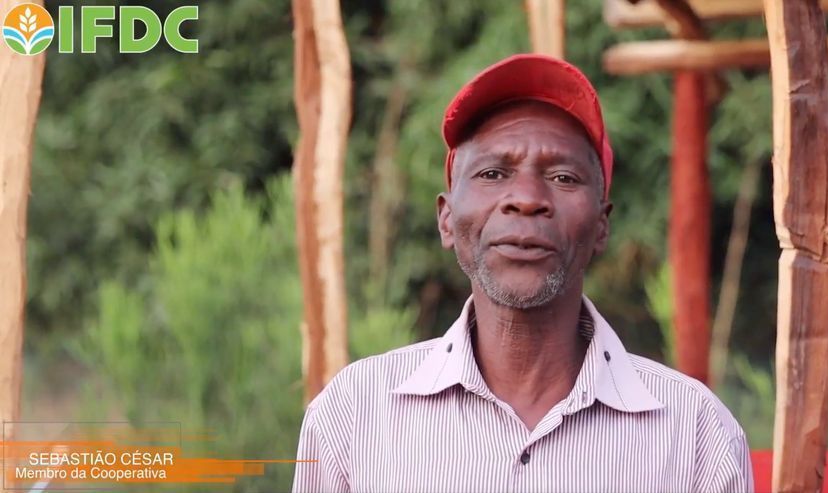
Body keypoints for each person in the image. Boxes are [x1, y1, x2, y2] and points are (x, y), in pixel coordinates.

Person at [292, 54, 753, 493]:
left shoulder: (695, 433)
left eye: (563, 178)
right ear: (447, 219)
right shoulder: (353, 414)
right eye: (493, 173)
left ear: (601, 226)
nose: (527, 198)